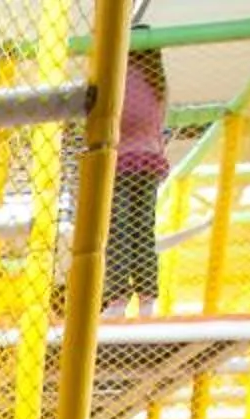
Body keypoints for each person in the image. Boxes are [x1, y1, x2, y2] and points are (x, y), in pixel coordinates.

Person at [103, 45, 171, 315]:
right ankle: (144, 298)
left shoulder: (124, 74)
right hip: (147, 159)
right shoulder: (156, 80)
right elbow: (153, 119)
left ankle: (122, 298)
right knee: (140, 230)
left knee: (120, 230)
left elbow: (126, 118)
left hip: (123, 161)